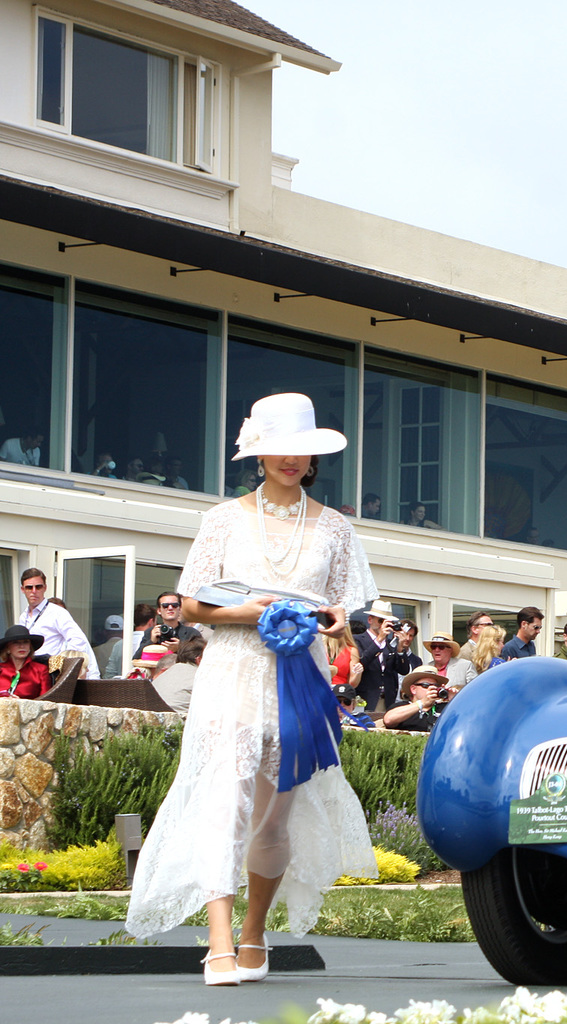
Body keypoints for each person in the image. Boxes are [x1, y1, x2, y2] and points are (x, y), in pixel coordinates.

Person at [124, 392, 378, 986]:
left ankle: (253, 931)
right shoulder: (222, 519)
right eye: (278, 449)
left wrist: (339, 623)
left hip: (301, 680)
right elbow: (190, 604)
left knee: (274, 816)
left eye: (302, 451)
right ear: (257, 453)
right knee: (222, 801)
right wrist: (247, 613)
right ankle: (216, 942)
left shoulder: (336, 528)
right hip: (233, 671)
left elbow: (343, 606)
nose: (291, 460)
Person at [17, 568, 99, 678]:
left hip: (50, 671)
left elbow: (78, 640)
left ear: (45, 588)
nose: (34, 591)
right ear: (23, 589)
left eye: (38, 587)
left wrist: (60, 663)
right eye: (29, 587)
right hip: (30, 671)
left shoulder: (57, 612)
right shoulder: (23, 616)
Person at [356, 599, 407, 711]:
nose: (383, 626)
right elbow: (361, 663)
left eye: (387, 623)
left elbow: (403, 670)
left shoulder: (390, 645)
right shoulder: (358, 640)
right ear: (370, 620)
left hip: (387, 700)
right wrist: (378, 640)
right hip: (366, 698)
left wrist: (400, 648)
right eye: (380, 621)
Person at [382, 669, 451, 732]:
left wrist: (454, 699)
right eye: (426, 685)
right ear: (413, 689)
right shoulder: (402, 706)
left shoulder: (445, 707)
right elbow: (388, 720)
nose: (431, 688)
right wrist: (422, 703)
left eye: (435, 686)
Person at [136, 591, 199, 658]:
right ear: (159, 611)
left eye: (174, 605)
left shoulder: (192, 633)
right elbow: (136, 658)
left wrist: (180, 648)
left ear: (180, 609)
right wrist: (151, 641)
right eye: (165, 606)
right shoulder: (151, 632)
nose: (170, 608)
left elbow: (199, 659)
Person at [152, 635, 204, 714]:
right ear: (199, 660)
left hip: (152, 722)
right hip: (181, 723)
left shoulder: (163, 675)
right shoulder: (201, 677)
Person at [0, 624, 48, 699]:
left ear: (30, 646)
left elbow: (46, 700)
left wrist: (22, 703)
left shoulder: (40, 670)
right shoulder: (1, 669)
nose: (22, 646)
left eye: (25, 642)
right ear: (7, 648)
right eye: (16, 642)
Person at [327, 622, 363, 692]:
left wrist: (358, 673)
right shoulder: (321, 647)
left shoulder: (351, 650)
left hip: (340, 692)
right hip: (320, 689)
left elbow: (353, 683)